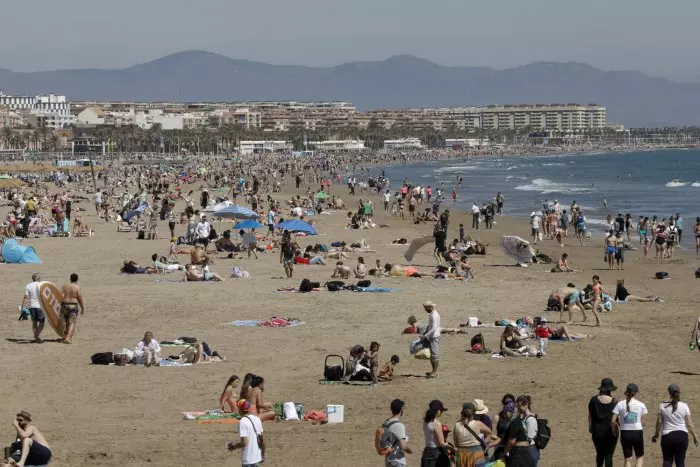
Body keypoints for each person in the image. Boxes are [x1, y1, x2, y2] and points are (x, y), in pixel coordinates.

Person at [652, 384, 698, 466]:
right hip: (682, 436)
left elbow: (659, 422)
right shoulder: (684, 406)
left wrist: (656, 435)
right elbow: (689, 423)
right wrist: (695, 436)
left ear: (669, 393)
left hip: (667, 436)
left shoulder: (663, 405)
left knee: (667, 461)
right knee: (680, 462)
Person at [453, 402, 499, 467]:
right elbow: (489, 432)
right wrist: (484, 443)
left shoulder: (457, 425)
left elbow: (456, 444)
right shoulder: (478, 424)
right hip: (477, 453)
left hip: (462, 455)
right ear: (474, 412)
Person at [611, 383, 647, 467]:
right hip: (637, 432)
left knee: (628, 458)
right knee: (639, 457)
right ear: (636, 393)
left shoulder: (620, 404)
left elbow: (613, 420)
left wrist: (614, 429)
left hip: (625, 433)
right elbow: (642, 421)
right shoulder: (641, 404)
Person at [589, 378, 619, 467]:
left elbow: (590, 416)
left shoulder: (593, 400)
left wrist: (590, 427)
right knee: (608, 456)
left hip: (597, 432)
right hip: (610, 432)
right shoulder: (614, 401)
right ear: (610, 389)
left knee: (599, 454)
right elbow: (616, 419)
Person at [228, 399, 265, 467]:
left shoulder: (242, 422)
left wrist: (234, 446)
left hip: (248, 460)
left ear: (240, 410)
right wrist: (262, 454)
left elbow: (245, 442)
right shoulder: (257, 419)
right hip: (257, 458)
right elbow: (261, 439)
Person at [421, 400, 452, 467]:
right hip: (436, 453)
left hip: (426, 452)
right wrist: (451, 448)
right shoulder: (436, 423)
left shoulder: (425, 422)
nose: (442, 412)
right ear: (437, 410)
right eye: (441, 410)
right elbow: (441, 443)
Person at [503, 397, 533, 466]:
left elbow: (512, 442)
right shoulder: (521, 421)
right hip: (526, 451)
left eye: (507, 412)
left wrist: (505, 451)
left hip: (518, 452)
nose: (505, 415)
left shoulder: (514, 423)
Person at [383, 399, 412, 467]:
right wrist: (411, 451)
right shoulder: (399, 426)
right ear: (401, 409)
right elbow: (403, 446)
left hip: (388, 460)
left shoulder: (386, 423)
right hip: (397, 461)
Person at [60, 273, 84, 344]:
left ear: (70, 279)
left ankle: (66, 334)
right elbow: (79, 297)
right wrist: (82, 307)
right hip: (73, 306)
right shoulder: (77, 287)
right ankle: (68, 338)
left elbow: (59, 294)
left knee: (66, 321)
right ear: (77, 280)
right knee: (72, 322)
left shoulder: (65, 286)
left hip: (65, 305)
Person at [516, 395, 539, 466]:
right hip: (526, 450)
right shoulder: (524, 418)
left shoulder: (531, 420)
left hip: (529, 450)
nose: (518, 408)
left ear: (526, 405)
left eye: (519, 406)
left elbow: (529, 438)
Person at [21, 274, 44, 343]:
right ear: (39, 278)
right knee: (42, 322)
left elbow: (26, 298)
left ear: (33, 278)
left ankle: (36, 338)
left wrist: (23, 307)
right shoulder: (41, 285)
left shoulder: (28, 285)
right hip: (40, 306)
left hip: (32, 306)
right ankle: (37, 335)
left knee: (34, 322)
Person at [422, 301, 441, 378]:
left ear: (430, 307)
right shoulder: (432, 314)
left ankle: (434, 372)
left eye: (425, 308)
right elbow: (430, 326)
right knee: (432, 355)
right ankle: (433, 371)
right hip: (431, 337)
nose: (425, 309)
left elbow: (434, 328)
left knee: (435, 355)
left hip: (434, 337)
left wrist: (426, 335)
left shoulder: (434, 315)